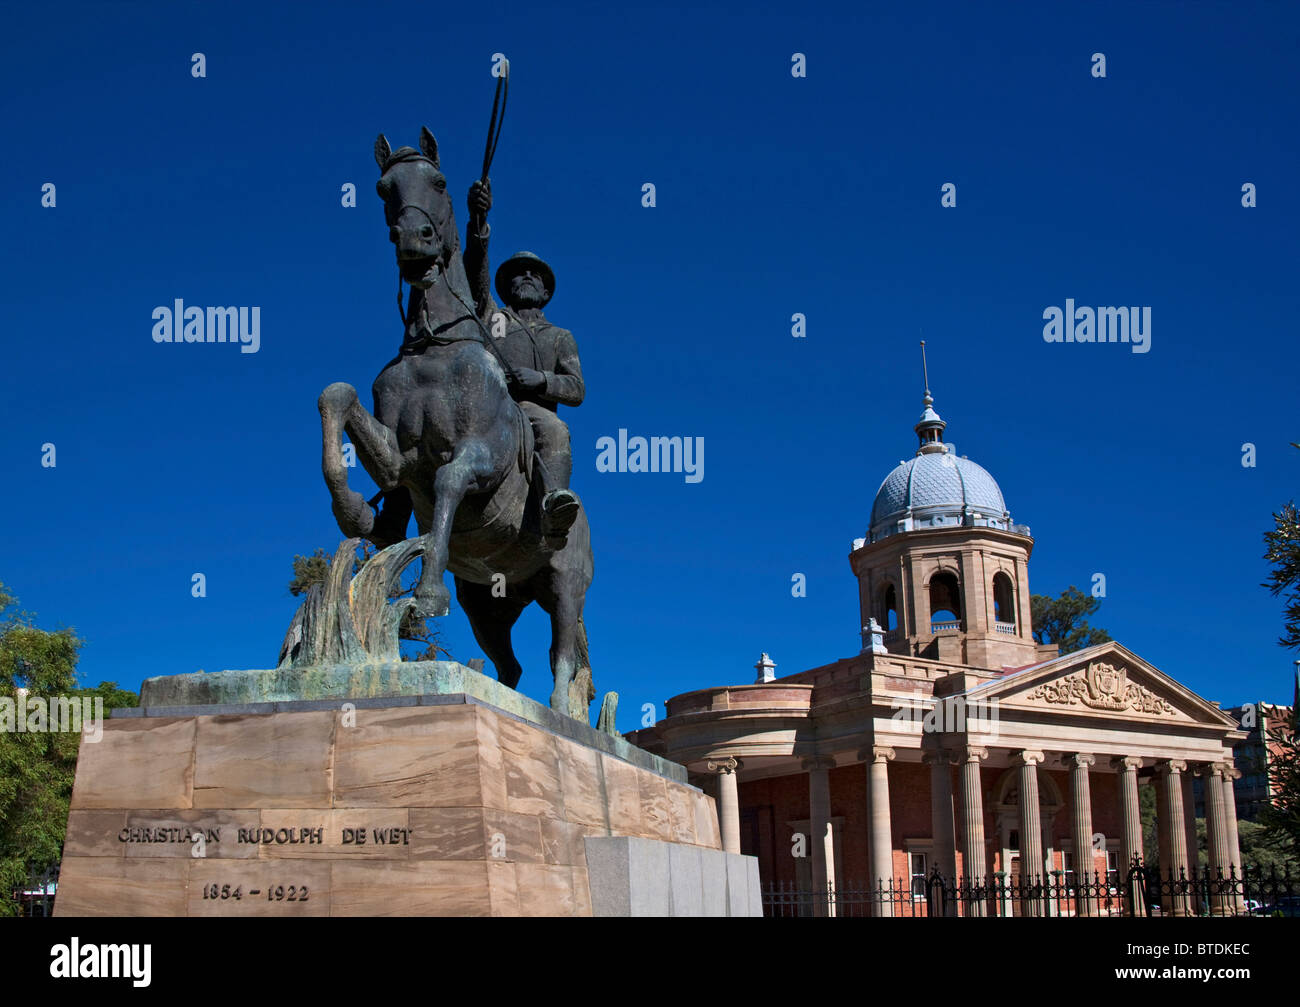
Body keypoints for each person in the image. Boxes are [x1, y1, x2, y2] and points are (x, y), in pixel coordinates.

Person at [462, 178, 583, 539]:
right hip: (488, 409)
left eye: (535, 275)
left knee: (556, 430)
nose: (527, 276)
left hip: (532, 413)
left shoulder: (560, 337)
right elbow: (475, 276)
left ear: (545, 292)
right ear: (506, 286)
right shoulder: (494, 318)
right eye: (518, 273)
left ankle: (553, 504)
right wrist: (478, 222)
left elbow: (577, 390)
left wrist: (540, 380)